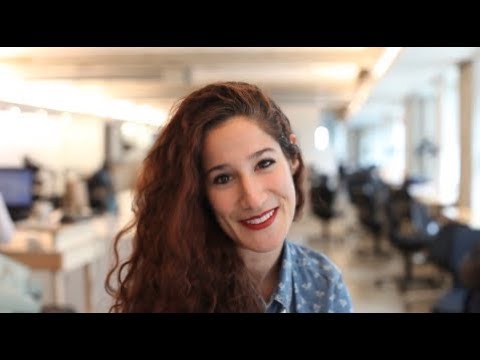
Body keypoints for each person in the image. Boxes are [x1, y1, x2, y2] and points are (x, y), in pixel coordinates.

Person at [105, 81, 353, 313]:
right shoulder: (172, 288)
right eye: (223, 178)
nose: (253, 199)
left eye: (264, 163)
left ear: (292, 157)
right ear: (199, 194)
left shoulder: (324, 284)